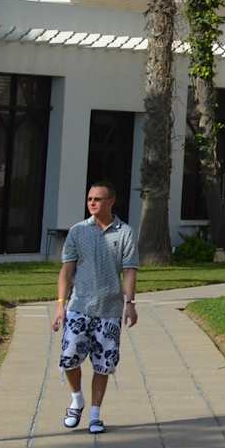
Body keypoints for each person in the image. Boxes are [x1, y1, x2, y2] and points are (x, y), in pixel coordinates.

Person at [52, 181, 138, 433]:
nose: (92, 203)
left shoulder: (125, 232)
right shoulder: (78, 231)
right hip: (79, 307)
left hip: (109, 311)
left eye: (97, 199)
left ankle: (95, 415)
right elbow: (66, 271)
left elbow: (130, 271)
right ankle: (76, 399)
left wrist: (130, 304)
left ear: (111, 202)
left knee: (103, 364)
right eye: (90, 199)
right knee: (69, 358)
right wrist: (60, 306)